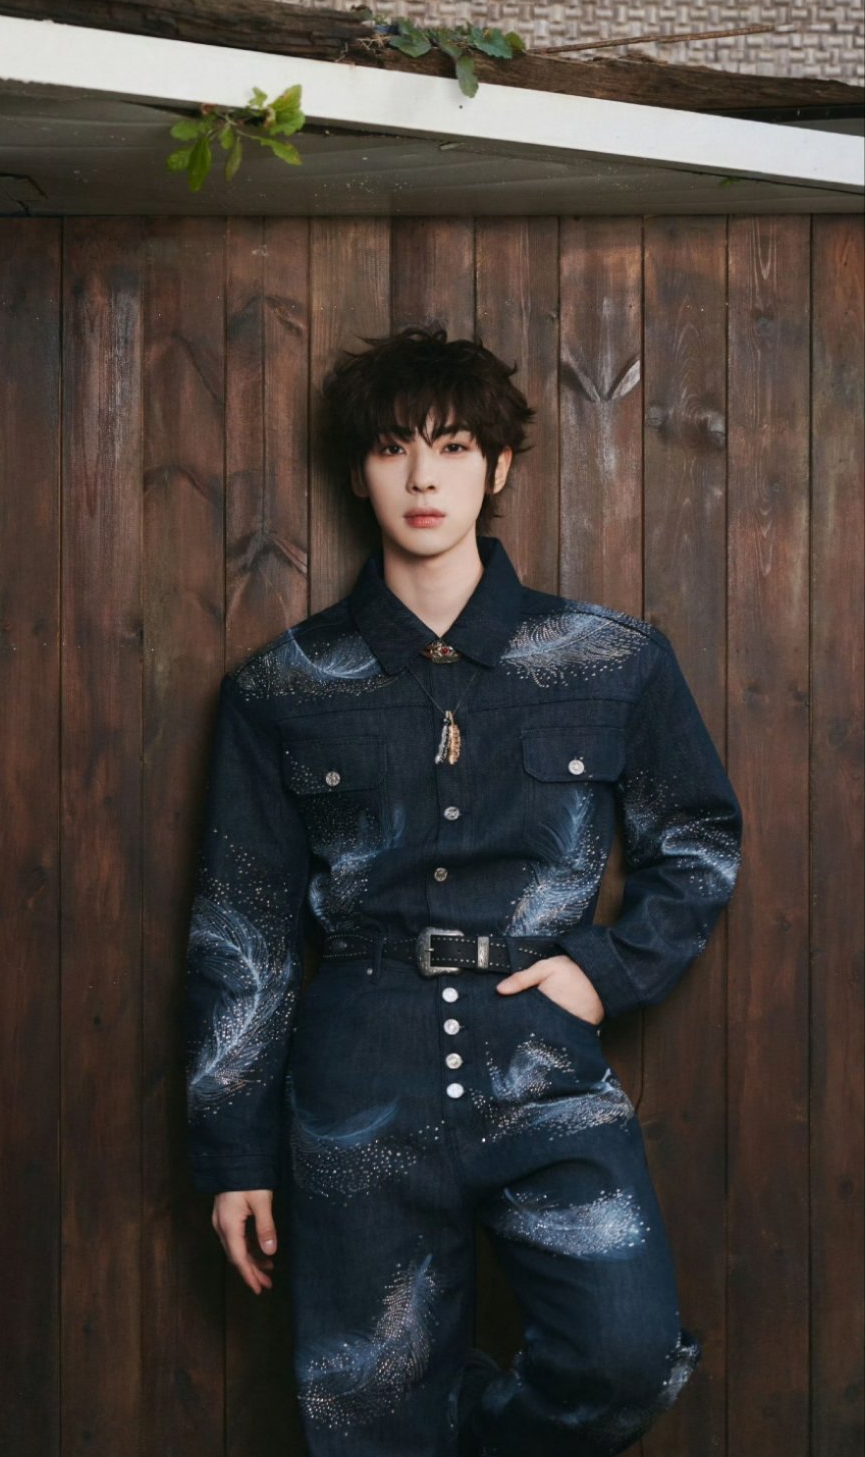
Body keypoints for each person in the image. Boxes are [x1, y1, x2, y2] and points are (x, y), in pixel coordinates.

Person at [183, 324, 744, 1457]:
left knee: (624, 1355)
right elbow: (243, 930)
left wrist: (604, 971)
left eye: (452, 447)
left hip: (541, 1063)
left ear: (499, 466)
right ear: (359, 474)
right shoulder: (285, 687)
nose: (423, 477)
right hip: (357, 1077)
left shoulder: (610, 658)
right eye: (393, 448)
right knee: (370, 1414)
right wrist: (233, 1154)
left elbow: (698, 839)